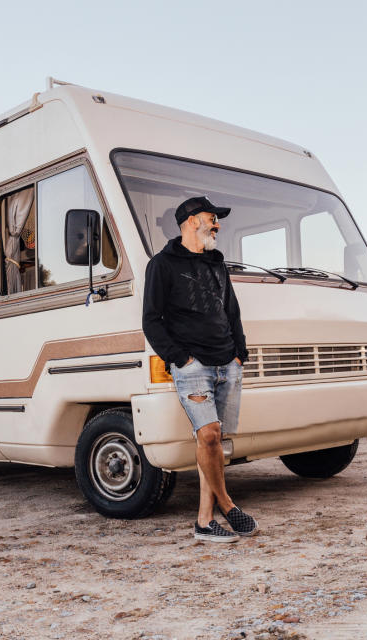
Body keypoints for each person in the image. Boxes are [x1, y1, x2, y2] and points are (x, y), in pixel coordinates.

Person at [142, 196, 258, 543]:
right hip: (194, 367)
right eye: (212, 218)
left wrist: (241, 354)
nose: (217, 224)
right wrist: (180, 358)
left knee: (213, 444)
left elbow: (232, 313)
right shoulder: (161, 265)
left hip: (228, 364)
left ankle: (204, 522)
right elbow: (151, 320)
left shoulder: (217, 265)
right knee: (208, 435)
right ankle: (227, 503)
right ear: (192, 220)